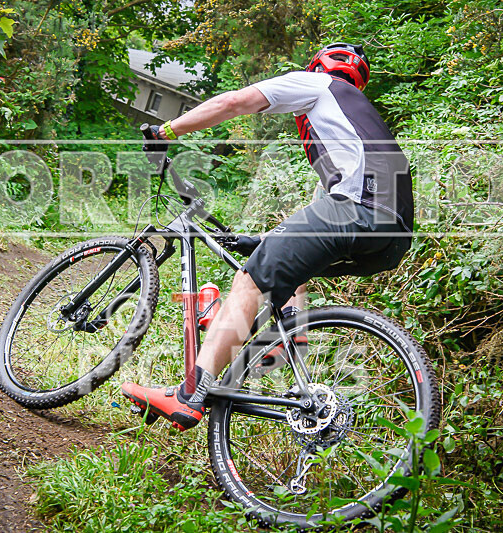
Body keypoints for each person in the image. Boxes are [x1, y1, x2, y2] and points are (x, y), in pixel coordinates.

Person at [121, 42, 414, 431]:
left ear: (318, 67)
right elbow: (317, 221)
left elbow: (234, 102)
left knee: (249, 282)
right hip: (392, 240)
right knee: (286, 271)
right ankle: (282, 342)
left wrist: (167, 130)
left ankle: (189, 395)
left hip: (358, 208)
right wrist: (263, 240)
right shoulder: (357, 125)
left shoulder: (318, 84)